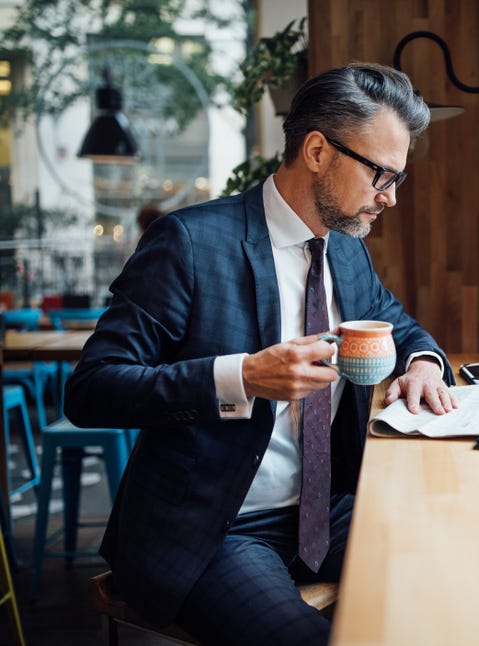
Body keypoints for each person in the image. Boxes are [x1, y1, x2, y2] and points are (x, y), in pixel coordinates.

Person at [64, 63, 458, 645]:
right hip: (216, 527)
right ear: (318, 151)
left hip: (329, 510)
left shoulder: (345, 252)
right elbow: (92, 388)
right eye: (381, 175)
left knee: (462, 581)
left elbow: (401, 328)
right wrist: (243, 377)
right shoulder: (191, 243)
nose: (391, 199)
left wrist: (424, 363)